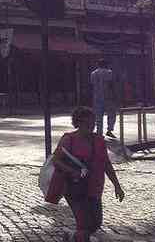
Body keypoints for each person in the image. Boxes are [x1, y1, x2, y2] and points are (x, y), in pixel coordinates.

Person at [52, 106, 125, 242]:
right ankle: (79, 236)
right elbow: (56, 160)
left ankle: (71, 236)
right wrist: (72, 171)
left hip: (95, 188)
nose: (91, 126)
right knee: (84, 226)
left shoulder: (99, 140)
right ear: (78, 123)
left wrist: (117, 185)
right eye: (88, 123)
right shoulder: (69, 139)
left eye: (93, 123)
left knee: (95, 223)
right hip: (75, 188)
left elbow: (106, 164)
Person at [89, 59, 116, 138]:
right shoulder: (109, 72)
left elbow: (92, 86)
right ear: (106, 64)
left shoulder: (93, 73)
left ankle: (99, 132)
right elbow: (111, 85)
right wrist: (115, 95)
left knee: (98, 115)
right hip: (108, 97)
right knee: (111, 114)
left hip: (97, 97)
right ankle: (109, 130)